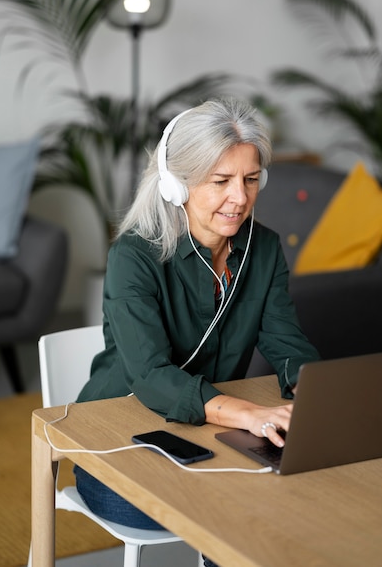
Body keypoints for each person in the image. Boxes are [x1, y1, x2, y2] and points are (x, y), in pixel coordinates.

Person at [75, 97, 321, 566]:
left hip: (213, 435)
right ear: (175, 184)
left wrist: (316, 402)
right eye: (221, 181)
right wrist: (249, 414)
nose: (241, 198)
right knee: (242, 504)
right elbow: (149, 375)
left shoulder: (262, 248)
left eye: (251, 180)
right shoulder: (135, 255)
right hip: (119, 442)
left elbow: (288, 346)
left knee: (293, 491)